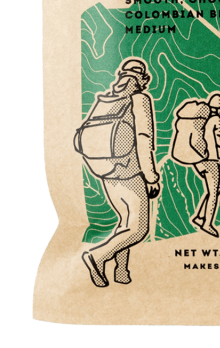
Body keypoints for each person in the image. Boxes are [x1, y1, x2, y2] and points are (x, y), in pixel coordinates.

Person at [75, 58, 160, 287]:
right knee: (139, 229)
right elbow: (144, 140)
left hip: (106, 170)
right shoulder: (140, 99)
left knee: (125, 222)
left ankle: (121, 271)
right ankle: (97, 256)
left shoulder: (105, 99)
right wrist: (151, 176)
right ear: (142, 80)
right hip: (130, 171)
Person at [191, 93, 220, 238]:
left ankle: (199, 216)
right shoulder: (216, 119)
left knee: (218, 187)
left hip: (198, 160)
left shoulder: (202, 119)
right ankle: (207, 223)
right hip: (211, 160)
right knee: (213, 192)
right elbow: (219, 139)